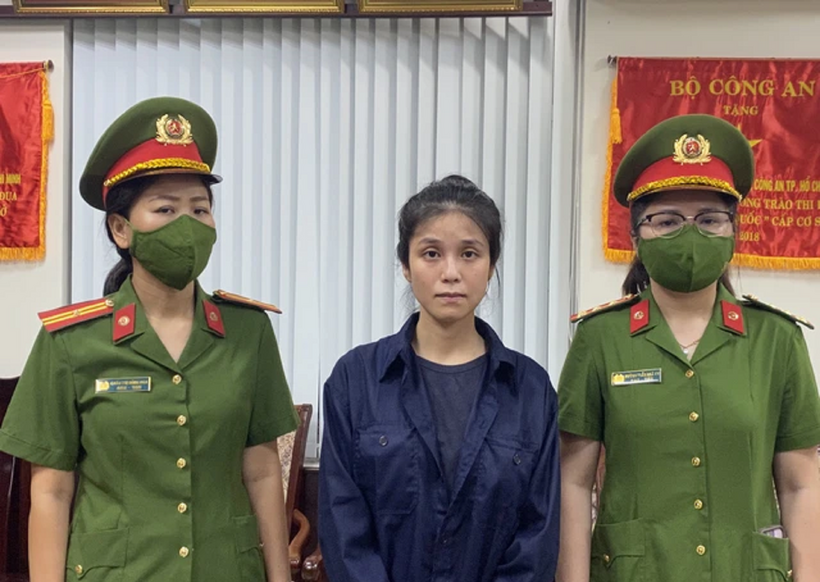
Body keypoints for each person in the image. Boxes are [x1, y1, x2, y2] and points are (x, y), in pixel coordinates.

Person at [0, 97, 298, 582]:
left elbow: (262, 471)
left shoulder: (249, 332)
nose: (188, 224)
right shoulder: (71, 342)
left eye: (200, 209)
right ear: (121, 228)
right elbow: (51, 492)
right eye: (165, 208)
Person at [556, 114, 820, 582]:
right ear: (636, 236)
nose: (690, 235)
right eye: (667, 221)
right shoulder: (600, 339)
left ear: (733, 231)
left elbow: (801, 485)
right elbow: (573, 484)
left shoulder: (777, 339)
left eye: (710, 220)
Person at [318, 175, 560, 582]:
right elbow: (344, 526)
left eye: (469, 254)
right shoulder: (355, 379)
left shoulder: (531, 390)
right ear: (406, 266)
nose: (451, 272)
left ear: (491, 266)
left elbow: (537, 537)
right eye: (431, 253)